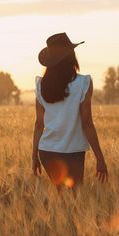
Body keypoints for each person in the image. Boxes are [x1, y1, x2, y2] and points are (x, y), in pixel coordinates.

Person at [32, 32, 108, 189]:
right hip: (73, 151)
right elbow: (87, 123)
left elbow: (39, 124)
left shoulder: (41, 85)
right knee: (73, 198)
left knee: (62, 197)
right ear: (71, 56)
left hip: (47, 151)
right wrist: (100, 158)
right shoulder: (83, 83)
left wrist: (34, 156)